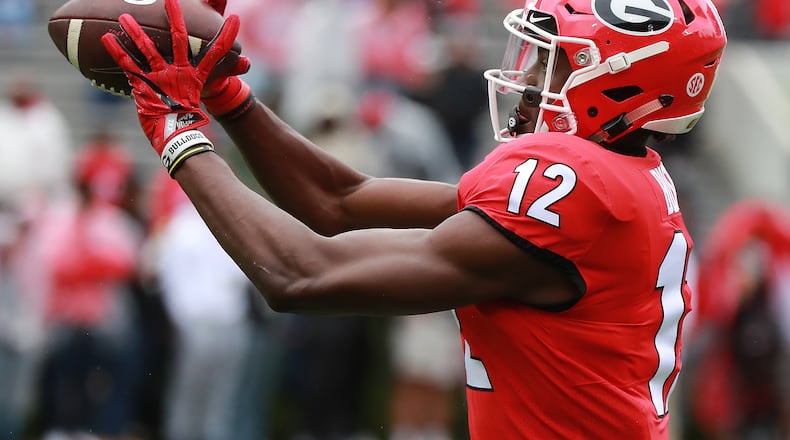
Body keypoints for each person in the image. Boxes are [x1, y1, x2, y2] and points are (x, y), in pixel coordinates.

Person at [99, 0, 727, 437]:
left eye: (557, 61)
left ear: (623, 85)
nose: (529, 75)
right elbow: (338, 200)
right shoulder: (618, 183)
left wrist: (178, 129)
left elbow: (299, 275)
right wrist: (229, 100)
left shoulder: (582, 191)